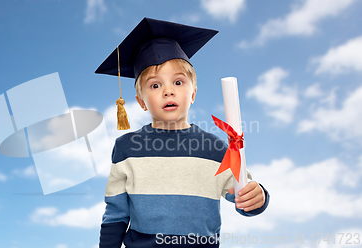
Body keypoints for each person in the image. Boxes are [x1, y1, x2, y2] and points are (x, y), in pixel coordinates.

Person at [95, 18, 270, 248]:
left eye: (178, 82)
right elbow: (116, 214)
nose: (168, 91)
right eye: (155, 85)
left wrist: (258, 197)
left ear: (193, 93)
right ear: (141, 101)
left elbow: (243, 194)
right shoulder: (127, 148)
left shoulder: (216, 149)